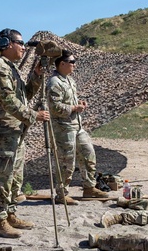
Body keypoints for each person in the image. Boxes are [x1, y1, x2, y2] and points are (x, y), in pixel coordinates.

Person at [0, 28, 48, 238]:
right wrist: (33, 115)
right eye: (20, 43)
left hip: (14, 130)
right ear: (7, 43)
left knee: (14, 177)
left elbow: (24, 96)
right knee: (1, 177)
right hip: (3, 130)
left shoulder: (12, 68)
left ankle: (10, 213)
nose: (23, 47)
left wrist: (37, 76)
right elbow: (8, 101)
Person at [45, 50, 108, 204]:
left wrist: (79, 104)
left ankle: (89, 187)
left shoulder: (70, 80)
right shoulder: (54, 82)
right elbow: (54, 107)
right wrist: (74, 108)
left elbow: (70, 101)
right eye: (72, 62)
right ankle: (62, 194)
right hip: (63, 128)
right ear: (62, 64)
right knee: (67, 162)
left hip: (76, 125)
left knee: (88, 154)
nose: (74, 65)